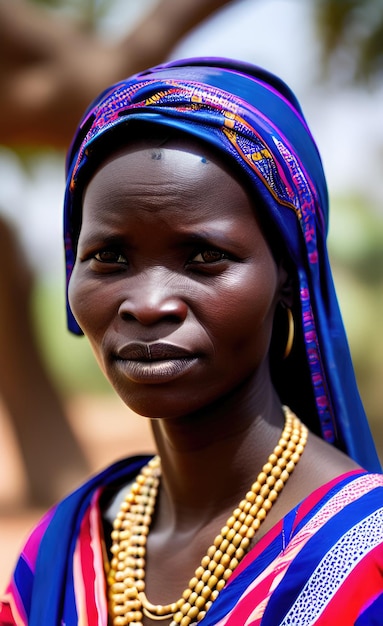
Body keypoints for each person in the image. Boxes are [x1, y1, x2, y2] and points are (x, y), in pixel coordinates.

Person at [1, 57, 382, 625]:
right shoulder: (63, 548)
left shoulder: (361, 559)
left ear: (286, 274)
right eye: (109, 258)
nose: (148, 304)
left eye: (206, 257)